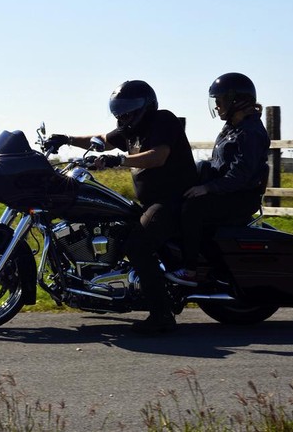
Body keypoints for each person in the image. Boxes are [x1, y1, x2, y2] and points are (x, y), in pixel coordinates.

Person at [44, 80, 197, 334]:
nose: (121, 114)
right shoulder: (130, 129)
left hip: (172, 201)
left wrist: (119, 159)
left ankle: (162, 315)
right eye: (119, 108)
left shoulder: (162, 121)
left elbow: (158, 156)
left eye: (128, 108)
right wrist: (66, 139)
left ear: (146, 105)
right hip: (150, 202)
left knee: (137, 245)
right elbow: (102, 140)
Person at [168, 72, 271, 286]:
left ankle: (189, 269)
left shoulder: (250, 132)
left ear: (236, 100)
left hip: (240, 196)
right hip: (228, 191)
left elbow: (240, 175)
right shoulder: (233, 127)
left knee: (192, 209)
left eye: (220, 100)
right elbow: (218, 163)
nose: (217, 106)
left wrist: (207, 188)